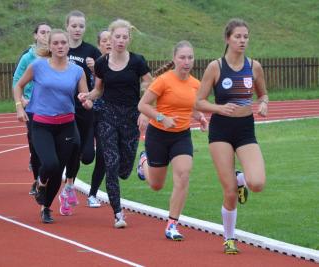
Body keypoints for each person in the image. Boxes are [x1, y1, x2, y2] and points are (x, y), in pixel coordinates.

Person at [194, 18, 268, 254]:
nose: (242, 40)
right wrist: (218, 108)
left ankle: (241, 180)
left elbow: (263, 95)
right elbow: (198, 101)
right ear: (228, 39)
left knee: (257, 183)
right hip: (221, 130)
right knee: (228, 192)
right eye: (238, 36)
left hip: (246, 128)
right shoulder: (215, 67)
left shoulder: (254, 66)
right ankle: (229, 238)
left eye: (245, 36)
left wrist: (264, 104)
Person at [79, 19, 152, 228]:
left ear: (129, 39)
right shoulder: (101, 63)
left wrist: (144, 107)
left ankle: (139, 162)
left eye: (124, 37)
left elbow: (150, 83)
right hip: (108, 115)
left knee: (123, 170)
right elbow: (99, 89)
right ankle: (118, 213)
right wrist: (88, 97)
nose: (120, 40)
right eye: (117, 37)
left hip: (130, 116)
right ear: (110, 38)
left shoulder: (137, 61)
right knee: (110, 163)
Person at [14, 29, 93, 223]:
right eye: (56, 43)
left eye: (63, 43)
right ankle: (40, 182)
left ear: (68, 46)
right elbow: (18, 85)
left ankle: (46, 207)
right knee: (50, 164)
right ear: (49, 46)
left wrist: (86, 100)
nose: (60, 46)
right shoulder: (38, 66)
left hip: (66, 124)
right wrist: (19, 107)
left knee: (58, 171)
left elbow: (86, 98)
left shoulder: (77, 70)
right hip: (42, 124)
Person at [137, 40, 208, 241]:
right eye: (182, 57)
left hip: (181, 136)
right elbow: (143, 106)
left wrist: (200, 117)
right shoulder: (163, 80)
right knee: (156, 185)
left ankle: (172, 224)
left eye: (190, 57)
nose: (187, 61)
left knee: (184, 174)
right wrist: (162, 118)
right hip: (158, 135)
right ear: (175, 59)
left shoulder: (196, 84)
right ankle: (143, 163)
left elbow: (190, 106)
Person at [60, 10, 102, 215]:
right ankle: (68, 188)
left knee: (86, 156)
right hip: (64, 109)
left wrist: (95, 70)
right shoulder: (60, 49)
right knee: (71, 147)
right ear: (67, 26)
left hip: (85, 109)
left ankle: (68, 184)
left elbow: (104, 79)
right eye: (74, 25)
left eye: (81, 26)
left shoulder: (92, 51)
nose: (77, 29)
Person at [13, 22, 52, 195]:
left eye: (49, 32)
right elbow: (17, 81)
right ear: (35, 36)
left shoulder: (57, 55)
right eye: (42, 32)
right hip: (33, 106)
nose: (45, 35)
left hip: (53, 106)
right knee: (35, 145)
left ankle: (46, 175)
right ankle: (37, 180)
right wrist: (20, 102)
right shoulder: (28, 57)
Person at [86, 29, 111, 208]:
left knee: (102, 155)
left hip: (107, 116)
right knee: (87, 155)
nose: (109, 43)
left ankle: (92, 194)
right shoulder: (91, 64)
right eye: (105, 40)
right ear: (99, 44)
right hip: (88, 114)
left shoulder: (121, 65)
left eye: (111, 39)